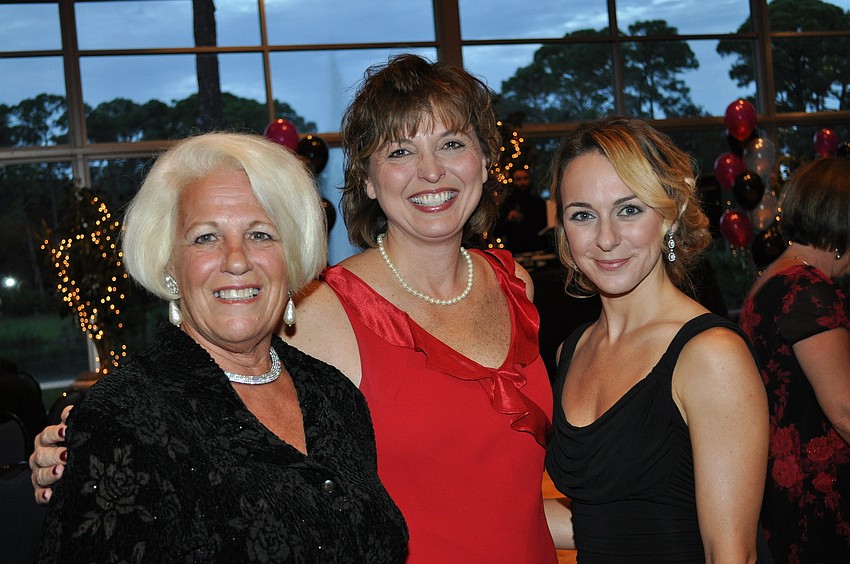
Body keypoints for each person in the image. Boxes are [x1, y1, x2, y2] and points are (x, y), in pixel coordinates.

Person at [32, 55, 556, 563]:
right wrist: (84, 443)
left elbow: (506, 499)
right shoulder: (324, 312)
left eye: (452, 143)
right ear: (367, 179)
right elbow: (212, 409)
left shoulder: (514, 285)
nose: (432, 170)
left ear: (485, 160)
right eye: (400, 151)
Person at [35, 132, 408, 562]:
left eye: (261, 235)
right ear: (169, 263)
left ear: (290, 260)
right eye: (206, 238)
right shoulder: (119, 418)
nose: (236, 259)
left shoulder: (336, 397)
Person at [544, 116, 769, 561]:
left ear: (670, 214)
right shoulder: (572, 350)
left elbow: (731, 553)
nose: (606, 239)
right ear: (564, 230)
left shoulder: (711, 355)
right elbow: (602, 520)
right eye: (583, 215)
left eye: (629, 210)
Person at [739, 156, 850, 562]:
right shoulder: (807, 289)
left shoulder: (774, 277)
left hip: (785, 483)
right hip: (819, 490)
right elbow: (845, 409)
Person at [494, 167, 548, 254]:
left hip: (539, 251)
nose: (522, 182)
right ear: (513, 182)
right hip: (516, 253)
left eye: (525, 178)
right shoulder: (507, 204)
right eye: (518, 179)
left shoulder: (539, 202)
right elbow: (497, 231)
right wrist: (508, 219)